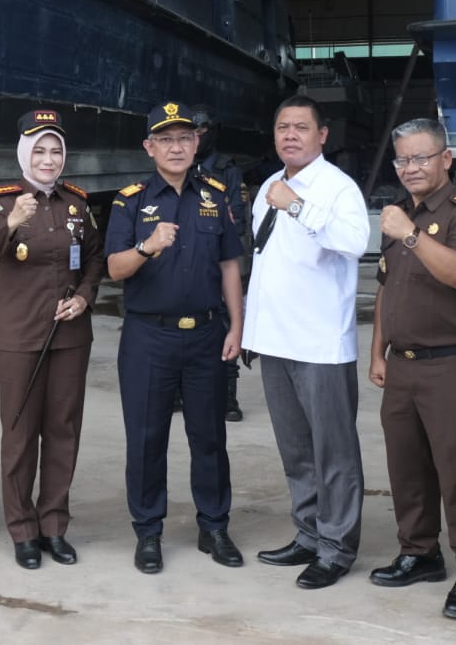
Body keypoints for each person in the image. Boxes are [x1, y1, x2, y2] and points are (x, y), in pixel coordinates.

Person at [104, 100, 245, 575]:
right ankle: (148, 532)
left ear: (197, 142)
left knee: (209, 437)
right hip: (149, 337)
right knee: (147, 439)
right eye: (166, 139)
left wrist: (236, 326)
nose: (177, 147)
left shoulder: (216, 195)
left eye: (185, 138)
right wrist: (147, 247)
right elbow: (115, 268)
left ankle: (214, 526)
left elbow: (229, 265)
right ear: (149, 147)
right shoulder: (130, 200)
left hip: (206, 333)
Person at [367, 117, 456, 619]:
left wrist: (412, 235)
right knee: (407, 469)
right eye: (403, 159)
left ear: (446, 159)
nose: (411, 167)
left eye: (421, 157)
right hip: (402, 366)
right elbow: (385, 288)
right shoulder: (400, 214)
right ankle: (419, 553)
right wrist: (377, 352)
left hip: (449, 365)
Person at [243, 94, 371, 590]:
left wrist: (296, 206)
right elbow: (266, 262)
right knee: (296, 450)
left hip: (320, 345)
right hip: (276, 341)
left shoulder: (338, 188)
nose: (290, 135)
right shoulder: (269, 186)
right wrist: (251, 332)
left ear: (322, 135)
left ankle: (337, 547)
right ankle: (309, 532)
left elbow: (355, 243)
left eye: (300, 127)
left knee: (333, 452)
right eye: (282, 127)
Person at [0, 109, 104, 568]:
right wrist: (13, 220)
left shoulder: (77, 204)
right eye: (39, 151)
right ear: (24, 154)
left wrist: (85, 297)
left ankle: (53, 525)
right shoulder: (1, 201)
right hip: (19, 336)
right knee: (20, 434)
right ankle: (23, 530)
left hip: (70, 336)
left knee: (63, 431)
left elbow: (95, 257)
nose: (48, 160)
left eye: (55, 151)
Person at [192, 105, 248, 423]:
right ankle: (180, 394)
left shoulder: (227, 170)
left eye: (201, 132)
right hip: (186, 264)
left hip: (219, 261)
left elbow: (237, 219)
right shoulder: (181, 166)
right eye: (192, 133)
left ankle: (228, 398)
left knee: (225, 327)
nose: (197, 139)